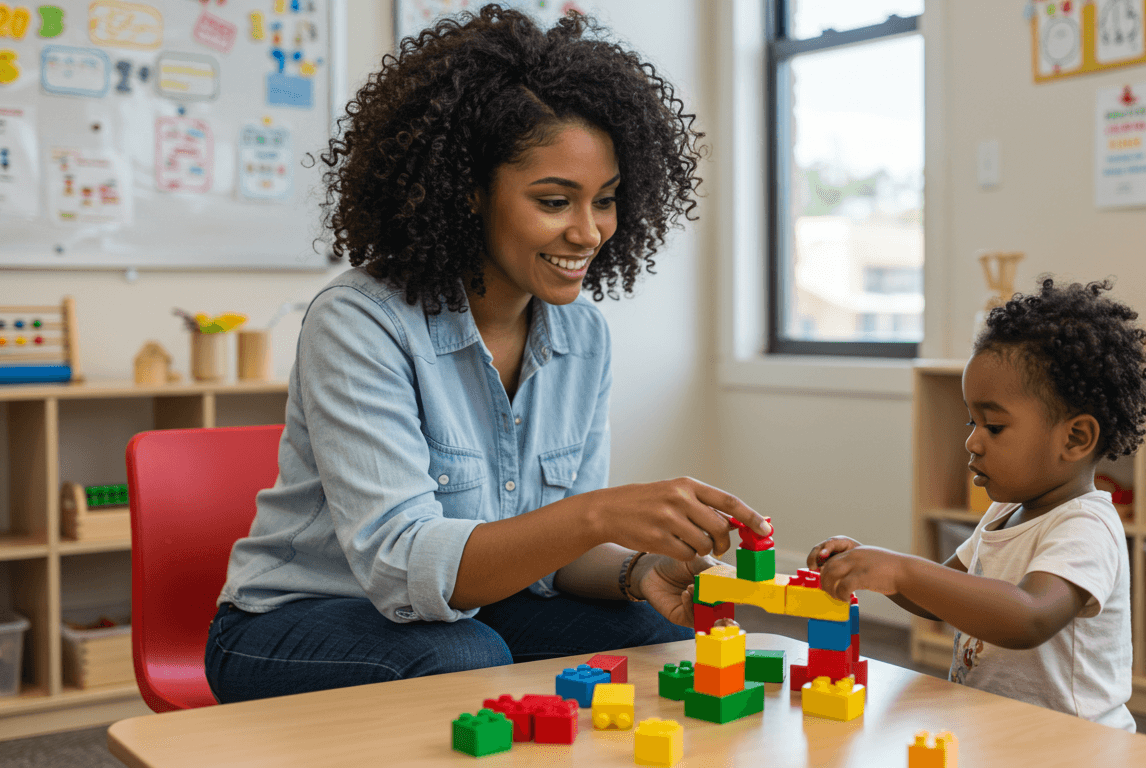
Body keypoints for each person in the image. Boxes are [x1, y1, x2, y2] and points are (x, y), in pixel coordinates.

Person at [205, 5, 770, 704]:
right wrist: (597, 513)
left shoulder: (582, 336)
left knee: (653, 636)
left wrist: (639, 571)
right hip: (288, 625)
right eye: (555, 200)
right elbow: (400, 567)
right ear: (468, 192)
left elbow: (552, 560)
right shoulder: (359, 321)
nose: (589, 232)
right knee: (466, 655)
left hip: (473, 613)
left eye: (607, 200)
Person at [807, 278, 1146, 731]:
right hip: (1002, 733)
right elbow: (941, 598)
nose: (972, 441)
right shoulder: (1004, 513)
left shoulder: (1086, 526)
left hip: (1075, 747)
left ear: (1074, 438)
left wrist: (903, 570)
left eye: (993, 426)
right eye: (972, 421)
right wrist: (874, 569)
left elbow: (1028, 617)